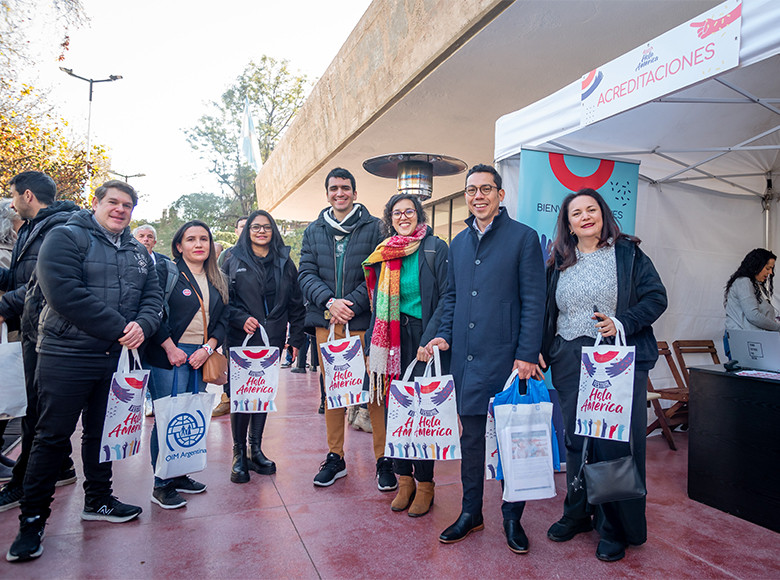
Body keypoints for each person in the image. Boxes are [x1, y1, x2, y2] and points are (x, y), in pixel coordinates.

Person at [7, 180, 162, 562]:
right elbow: (64, 293)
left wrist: (143, 324)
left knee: (101, 433)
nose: (120, 210)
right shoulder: (65, 237)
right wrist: (121, 328)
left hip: (115, 357)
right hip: (67, 355)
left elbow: (153, 295)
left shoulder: (138, 251)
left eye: (127, 205)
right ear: (96, 203)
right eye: (113, 202)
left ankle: (99, 500)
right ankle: (32, 522)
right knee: (51, 438)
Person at [540, 188, 667, 562]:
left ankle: (613, 528)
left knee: (612, 444)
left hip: (615, 361)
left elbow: (656, 298)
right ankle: (578, 513)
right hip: (568, 358)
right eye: (575, 213)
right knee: (578, 440)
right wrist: (542, 349)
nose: (584, 216)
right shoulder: (558, 261)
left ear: (602, 214)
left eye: (590, 209)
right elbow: (549, 311)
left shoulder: (627, 254)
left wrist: (621, 322)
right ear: (568, 223)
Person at [426, 164, 545, 554]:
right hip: (467, 359)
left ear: (500, 195)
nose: (478, 196)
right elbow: (453, 298)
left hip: (509, 360)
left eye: (486, 189)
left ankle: (513, 517)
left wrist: (527, 353)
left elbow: (534, 301)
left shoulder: (524, 239)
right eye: (471, 190)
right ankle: (470, 513)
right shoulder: (458, 242)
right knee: (472, 440)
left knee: (512, 441)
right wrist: (443, 334)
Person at [298, 167, 394, 491]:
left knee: (374, 391)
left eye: (345, 188)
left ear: (355, 192)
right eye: (334, 188)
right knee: (335, 390)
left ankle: (383, 459)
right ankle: (336, 457)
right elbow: (306, 273)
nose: (340, 193)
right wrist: (329, 302)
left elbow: (380, 271)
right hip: (327, 323)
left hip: (363, 322)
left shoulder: (375, 228)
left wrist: (350, 304)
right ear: (327, 193)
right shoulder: (313, 231)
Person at [363, 193, 449, 517]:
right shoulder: (384, 253)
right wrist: (373, 346)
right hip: (390, 341)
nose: (403, 216)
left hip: (422, 339)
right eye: (396, 213)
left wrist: (430, 339)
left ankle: (426, 484)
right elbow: (376, 309)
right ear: (390, 217)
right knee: (394, 413)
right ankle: (405, 481)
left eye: (408, 211)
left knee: (421, 412)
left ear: (418, 214)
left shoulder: (434, 247)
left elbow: (447, 296)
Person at [0, 172, 80, 514]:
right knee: (38, 410)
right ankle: (60, 467)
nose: (12, 202)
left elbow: (43, 282)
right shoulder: (30, 229)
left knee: (38, 414)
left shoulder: (58, 230)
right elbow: (18, 278)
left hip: (48, 334)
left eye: (13, 195)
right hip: (29, 327)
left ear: (28, 195)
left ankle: (23, 484)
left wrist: (4, 307)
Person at [144, 220, 228, 508]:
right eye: (191, 239)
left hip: (199, 355)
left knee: (189, 414)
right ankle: (161, 483)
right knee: (167, 417)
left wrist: (208, 348)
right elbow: (153, 311)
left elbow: (222, 321)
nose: (199, 244)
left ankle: (178, 474)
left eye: (204, 238)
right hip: (168, 354)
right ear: (179, 246)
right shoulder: (166, 272)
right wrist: (169, 347)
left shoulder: (218, 278)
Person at [222, 210, 305, 483]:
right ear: (247, 231)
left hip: (273, 340)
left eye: (266, 227)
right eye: (256, 227)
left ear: (273, 231)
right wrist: (239, 318)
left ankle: (256, 449)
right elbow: (222, 300)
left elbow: (296, 303)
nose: (261, 231)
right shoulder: (231, 259)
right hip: (241, 339)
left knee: (261, 394)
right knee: (241, 396)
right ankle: (238, 454)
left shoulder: (284, 262)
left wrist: (295, 341)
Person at [214, 215, 249, 417]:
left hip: (256, 320)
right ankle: (227, 397)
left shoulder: (263, 253)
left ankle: (251, 397)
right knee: (229, 359)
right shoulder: (227, 255)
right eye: (242, 227)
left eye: (248, 226)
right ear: (236, 231)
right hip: (232, 318)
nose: (245, 230)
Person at [133, 224, 169, 417]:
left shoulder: (166, 263)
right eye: (141, 236)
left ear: (155, 241)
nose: (145, 239)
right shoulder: (126, 259)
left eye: (149, 237)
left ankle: (153, 400)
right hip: (135, 328)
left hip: (160, 328)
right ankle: (144, 400)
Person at [724, 248, 778, 332]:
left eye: (772, 269)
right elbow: (753, 315)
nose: (770, 272)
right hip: (743, 339)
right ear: (756, 266)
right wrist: (777, 327)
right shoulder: (744, 282)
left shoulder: (756, 285)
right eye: (768, 268)